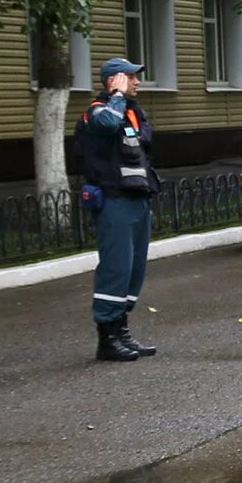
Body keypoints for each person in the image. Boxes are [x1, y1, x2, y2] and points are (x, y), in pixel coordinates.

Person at [78, 56, 161, 362]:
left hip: (136, 197)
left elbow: (145, 140)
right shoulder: (98, 111)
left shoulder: (132, 112)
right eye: (130, 77)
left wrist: (126, 105)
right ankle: (107, 339)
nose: (137, 82)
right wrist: (115, 96)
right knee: (116, 268)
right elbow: (107, 125)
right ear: (114, 81)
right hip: (113, 199)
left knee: (134, 270)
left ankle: (122, 331)